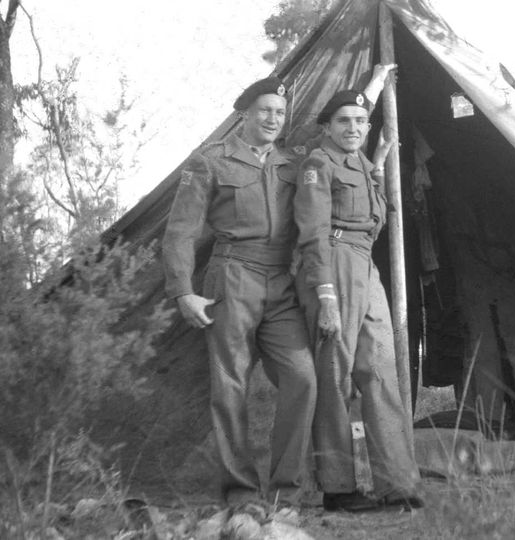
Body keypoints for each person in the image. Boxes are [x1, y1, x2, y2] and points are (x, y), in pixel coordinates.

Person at [162, 76, 316, 516]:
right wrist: (183, 292)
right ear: (245, 114)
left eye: (280, 113)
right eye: (265, 110)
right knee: (230, 386)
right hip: (232, 275)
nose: (273, 119)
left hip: (281, 281)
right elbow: (181, 232)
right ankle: (241, 493)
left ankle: (286, 493)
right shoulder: (210, 161)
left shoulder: (292, 163)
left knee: (302, 377)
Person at [293, 86, 423, 512]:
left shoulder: (360, 163)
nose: (353, 127)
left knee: (380, 369)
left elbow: (373, 212)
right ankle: (338, 487)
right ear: (327, 127)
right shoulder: (318, 163)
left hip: (366, 267)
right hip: (333, 264)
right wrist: (326, 295)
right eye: (344, 121)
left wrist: (381, 159)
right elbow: (311, 232)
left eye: (360, 121)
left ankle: (398, 484)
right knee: (335, 375)